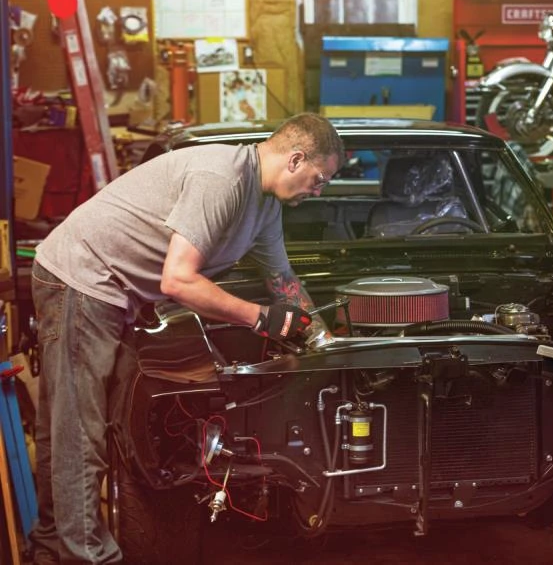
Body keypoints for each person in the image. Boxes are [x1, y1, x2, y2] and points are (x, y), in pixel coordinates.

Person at [28, 112, 343, 564]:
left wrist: (323, 340)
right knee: (80, 430)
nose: (320, 191)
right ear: (296, 159)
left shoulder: (265, 206)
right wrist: (259, 318)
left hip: (113, 292)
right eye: (320, 178)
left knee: (68, 424)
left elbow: (283, 280)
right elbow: (178, 281)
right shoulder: (221, 179)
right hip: (81, 280)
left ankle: (48, 546)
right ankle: (86, 556)